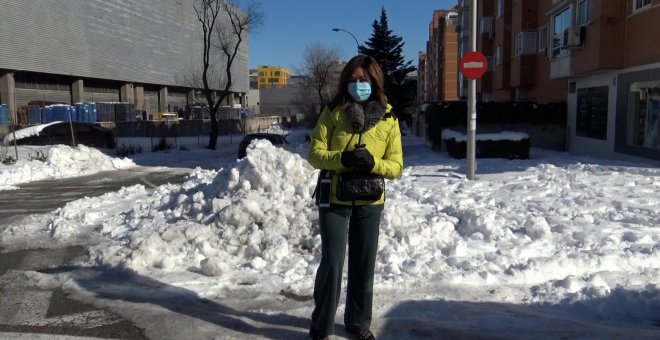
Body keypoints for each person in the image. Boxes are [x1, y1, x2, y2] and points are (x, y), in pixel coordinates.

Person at [307, 55, 403, 340]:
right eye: (352, 80)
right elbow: (314, 154)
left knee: (364, 264)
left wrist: (373, 164)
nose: (357, 85)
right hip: (334, 197)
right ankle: (321, 325)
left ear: (374, 82)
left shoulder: (388, 117)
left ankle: (359, 323)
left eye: (363, 80)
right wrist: (343, 159)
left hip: (370, 198)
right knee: (332, 263)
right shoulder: (333, 111)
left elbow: (396, 166)